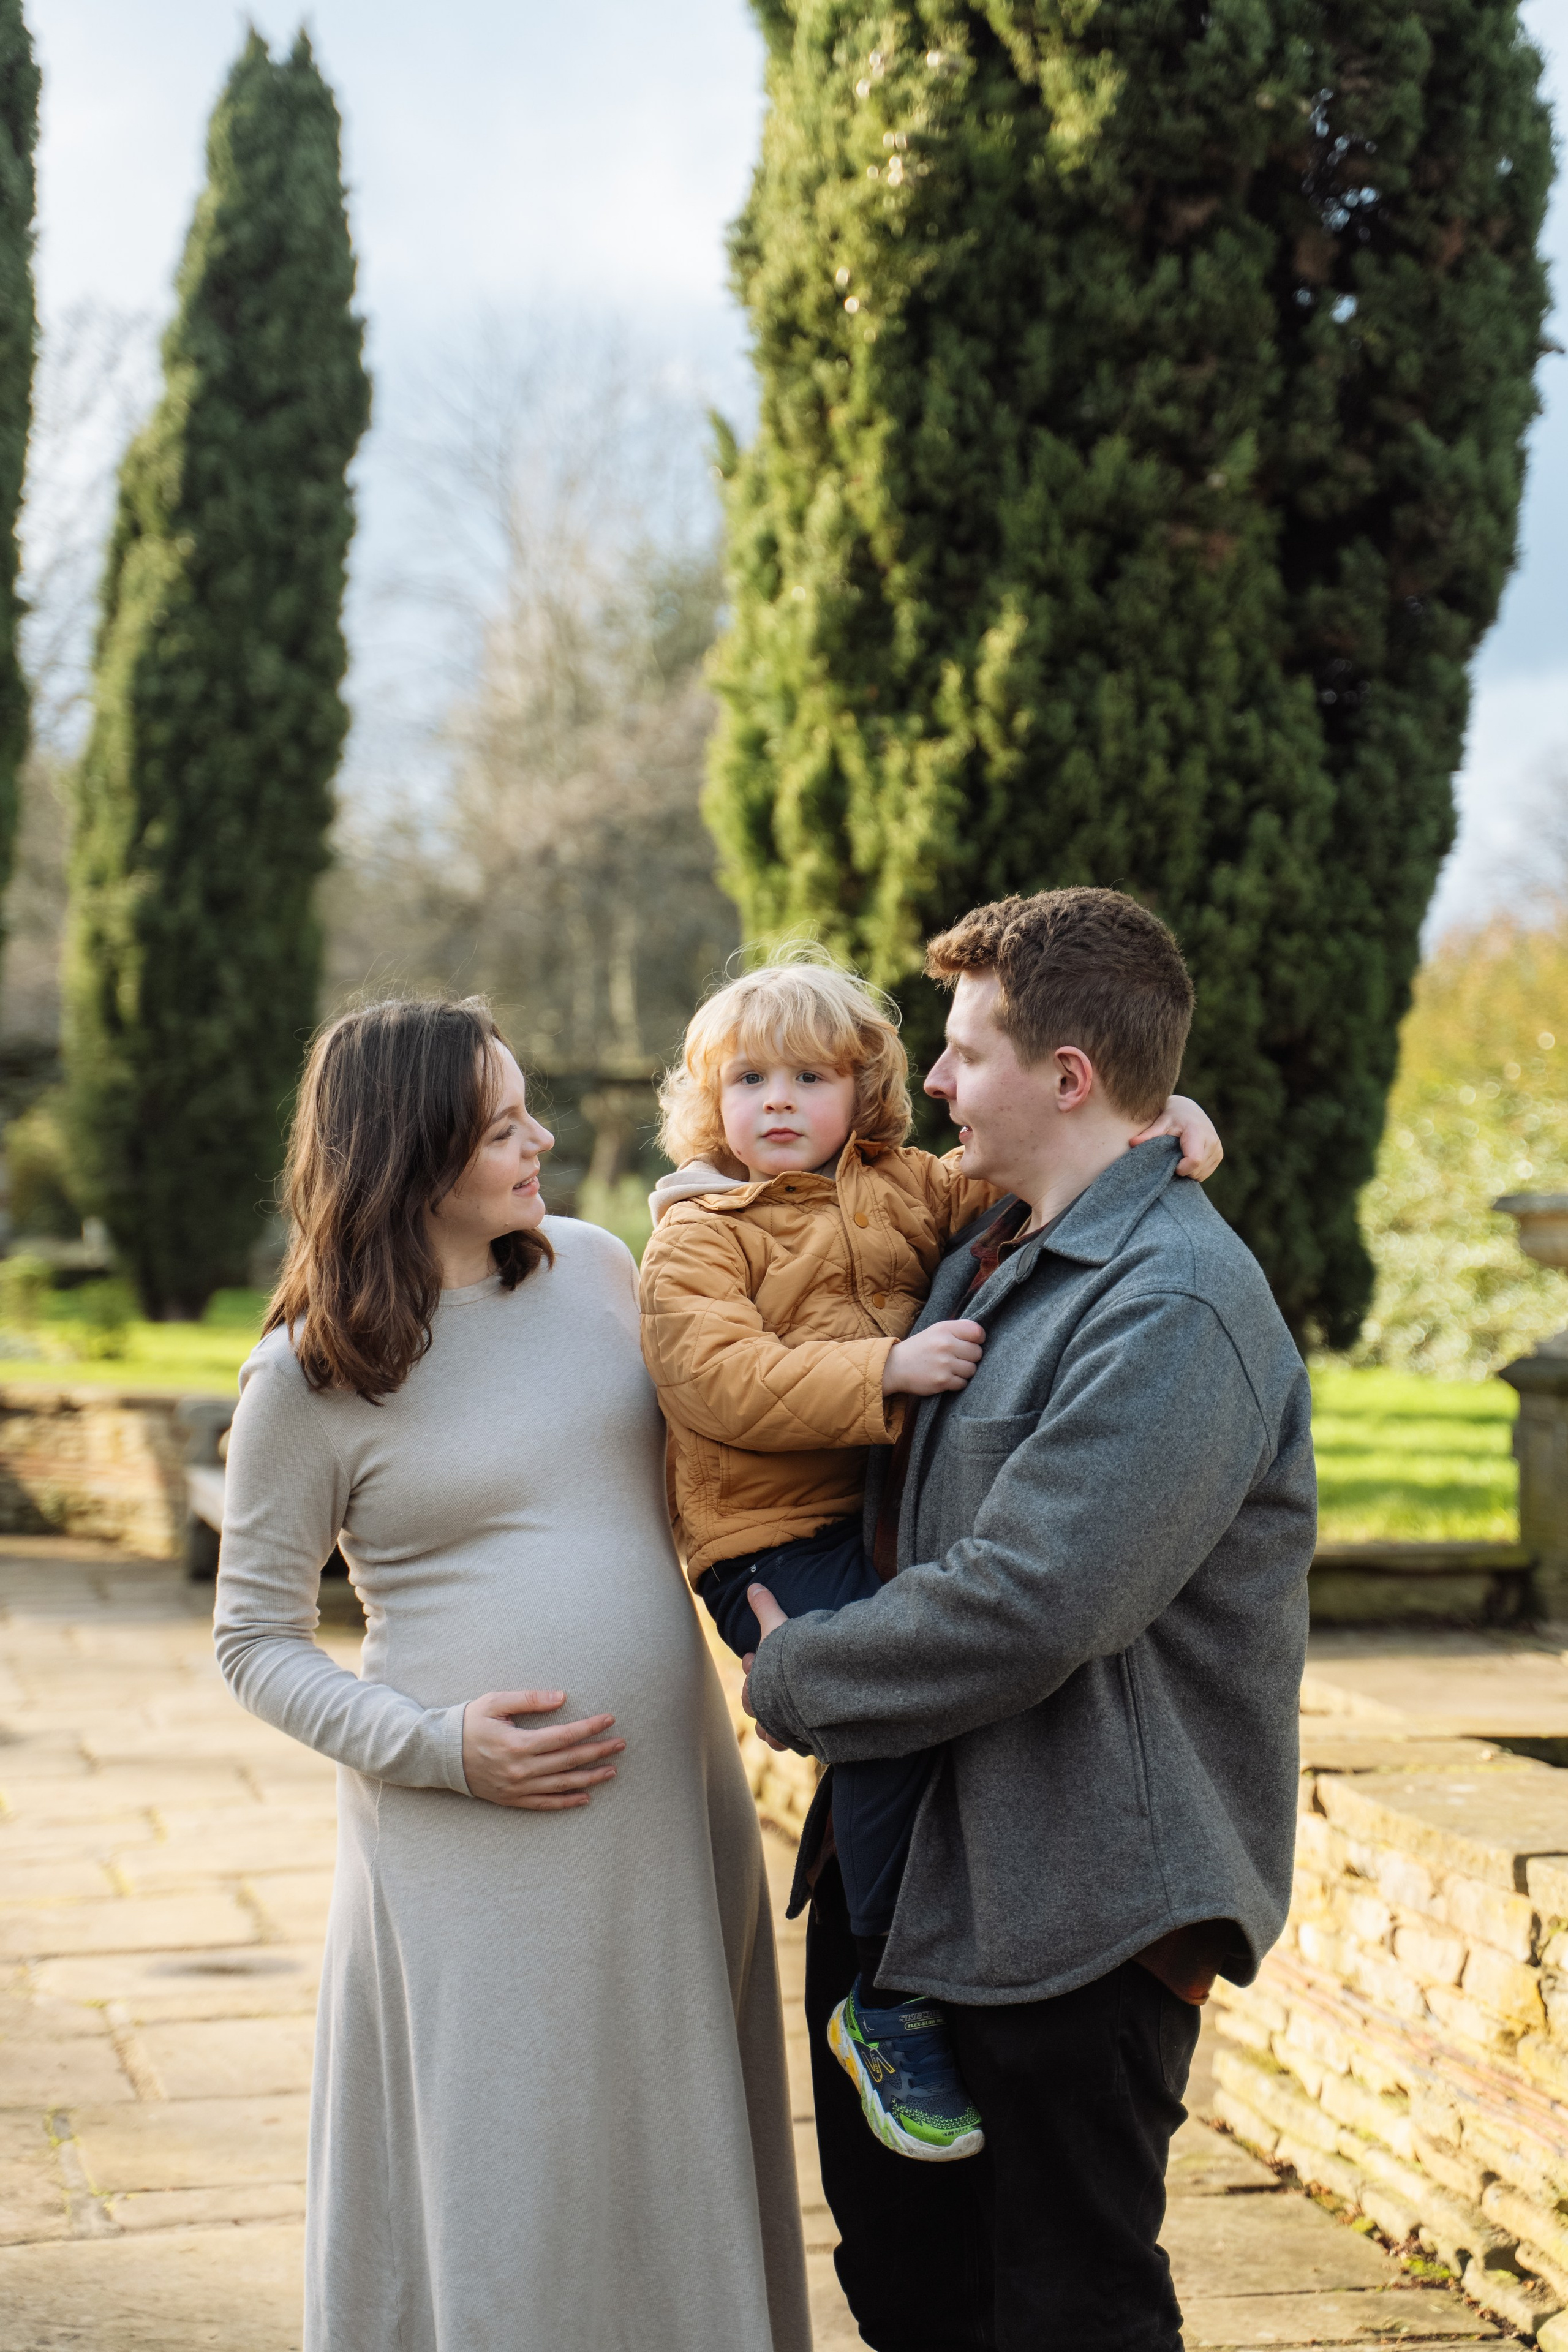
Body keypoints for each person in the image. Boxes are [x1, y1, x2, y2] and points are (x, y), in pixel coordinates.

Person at [742, 890, 1316, 2352]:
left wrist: (795, 1671)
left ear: (1065, 1077)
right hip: (912, 1883)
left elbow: (1034, 1602)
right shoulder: (992, 1241)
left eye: (963, 1052)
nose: (932, 1081)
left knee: (1065, 2312)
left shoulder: (1176, 1302)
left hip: (1073, 1911)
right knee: (911, 2294)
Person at [214, 998, 810, 2352]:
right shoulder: (306, 1378)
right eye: (501, 1127)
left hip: (663, 1803)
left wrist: (1153, 1131)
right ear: (410, 1152)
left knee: (669, 2140)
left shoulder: (599, 1269)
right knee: (505, 2170)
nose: (541, 1140)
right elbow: (252, 1640)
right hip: (471, 1833)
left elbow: (855, 1235)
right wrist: (441, 1749)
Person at [638, 948, 1222, 2166]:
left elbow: (1044, 1174)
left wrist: (1160, 1116)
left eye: (811, 1078)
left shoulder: (909, 1187)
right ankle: (888, 1997)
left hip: (868, 1520)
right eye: (749, 1081)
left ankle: (934, 1957)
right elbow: (716, 1379)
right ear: (707, 1101)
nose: (779, 1103)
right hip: (763, 1540)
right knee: (888, 1702)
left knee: (928, 1691)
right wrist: (886, 1370)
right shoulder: (697, 1235)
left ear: (866, 1091)